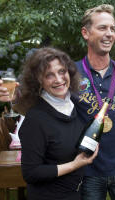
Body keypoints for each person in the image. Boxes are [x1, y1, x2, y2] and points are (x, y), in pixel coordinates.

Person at [0, 4, 115, 200]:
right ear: (85, 33)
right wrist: (14, 98)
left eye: (112, 28)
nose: (109, 34)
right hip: (86, 170)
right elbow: (41, 106)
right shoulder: (69, 74)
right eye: (102, 28)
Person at [16, 47, 98, 200]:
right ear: (38, 81)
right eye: (49, 75)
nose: (59, 79)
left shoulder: (74, 105)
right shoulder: (36, 119)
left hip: (75, 193)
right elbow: (31, 173)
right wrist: (75, 165)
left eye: (61, 71)